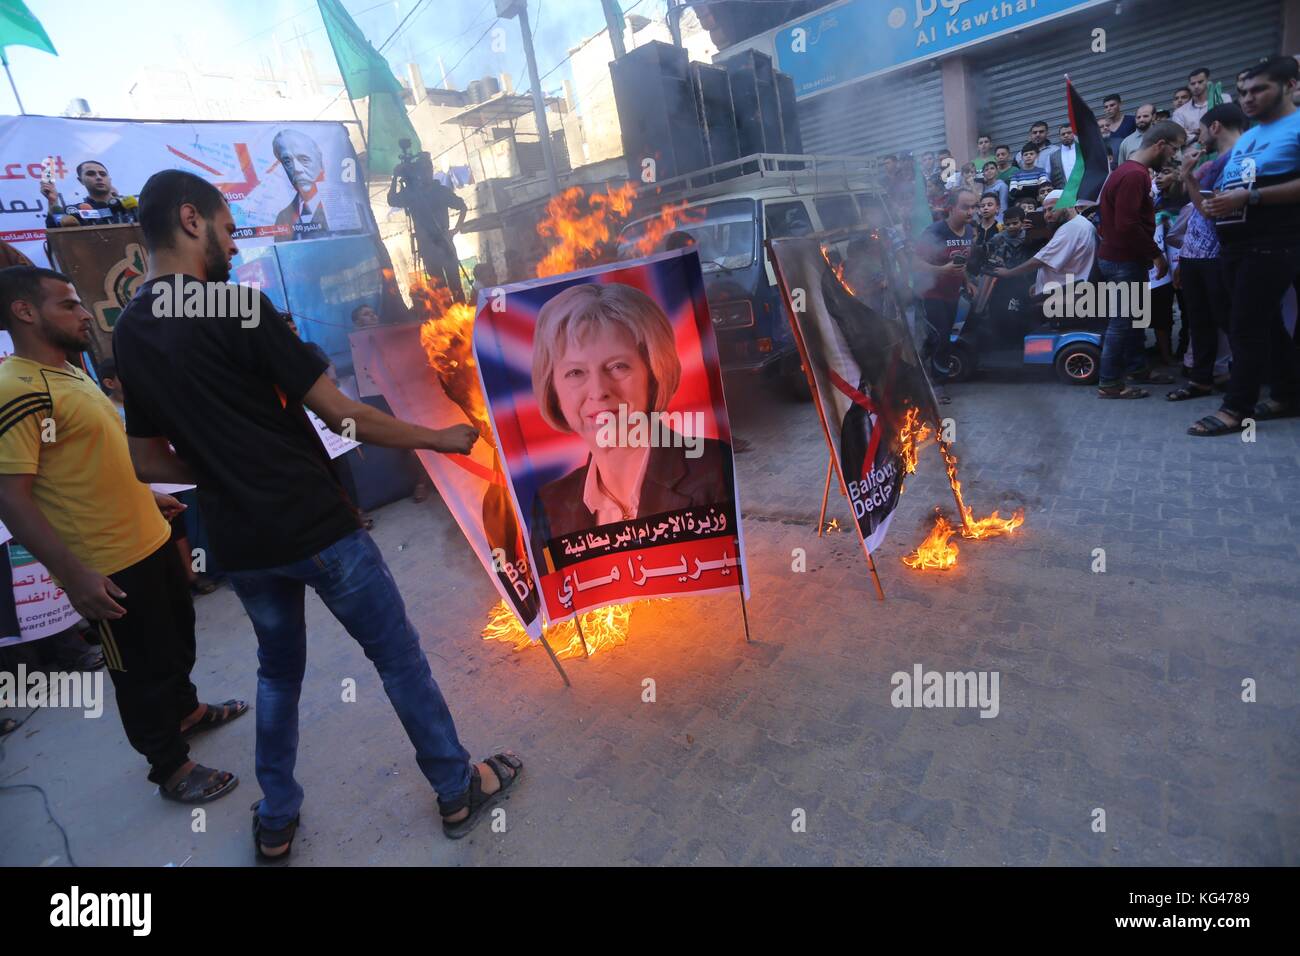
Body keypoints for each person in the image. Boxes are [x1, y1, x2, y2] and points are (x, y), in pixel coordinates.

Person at [113, 170, 521, 854]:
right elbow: (343, 417)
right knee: (398, 660)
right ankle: (458, 789)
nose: (232, 243)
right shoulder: (237, 308)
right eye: (225, 226)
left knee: (277, 672)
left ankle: (276, 821)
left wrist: (219, 472)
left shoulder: (128, 332)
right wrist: (439, 437)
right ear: (191, 218)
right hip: (317, 527)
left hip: (241, 544)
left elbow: (146, 461)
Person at [0, 265, 245, 804]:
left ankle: (188, 711)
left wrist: (149, 497)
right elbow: (12, 497)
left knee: (176, 642)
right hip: (106, 564)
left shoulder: (68, 371)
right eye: (68, 304)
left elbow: (88, 460)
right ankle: (170, 767)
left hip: (150, 537)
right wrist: (73, 576)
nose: (84, 312)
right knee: (138, 671)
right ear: (24, 311)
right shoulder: (15, 388)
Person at [527, 282, 734, 555]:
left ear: (655, 373)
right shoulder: (549, 504)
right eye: (576, 372)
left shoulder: (716, 471)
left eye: (618, 366)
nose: (599, 391)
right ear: (553, 390)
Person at [1191, 56, 1300, 435]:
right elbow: (1233, 188)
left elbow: (1256, 193)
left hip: (1274, 243)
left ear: (1289, 85)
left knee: (1245, 326)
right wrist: (1218, 202)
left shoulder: (1297, 126)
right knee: (1267, 324)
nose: (1249, 99)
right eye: (1243, 92)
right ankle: (1287, 393)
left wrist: (1249, 199)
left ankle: (1237, 408)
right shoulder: (1250, 137)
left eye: (1259, 90)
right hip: (1235, 243)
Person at [98, 359, 220, 596]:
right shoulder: (109, 411)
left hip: (176, 472)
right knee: (176, 532)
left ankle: (206, 569)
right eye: (124, 376)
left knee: (196, 526)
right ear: (109, 383)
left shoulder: (146, 400)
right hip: (149, 481)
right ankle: (190, 576)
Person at [1095, 120, 1187, 399]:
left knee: (1134, 318)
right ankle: (1109, 383)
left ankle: (1137, 369)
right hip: (1123, 261)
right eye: (1174, 149)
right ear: (1160, 145)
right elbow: (1127, 224)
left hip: (1124, 258)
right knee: (1121, 322)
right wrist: (1157, 255)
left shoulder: (1130, 171)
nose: (1175, 157)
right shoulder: (1135, 175)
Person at [1167, 104, 1246, 402]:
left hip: (1218, 256)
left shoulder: (1237, 160)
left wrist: (1187, 176)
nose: (1198, 136)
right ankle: (1201, 379)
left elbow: (1208, 210)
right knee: (1199, 321)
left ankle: (1242, 380)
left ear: (1215, 127)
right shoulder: (1215, 161)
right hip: (1195, 256)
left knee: (1228, 321)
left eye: (1200, 129)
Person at [913, 188, 977, 398]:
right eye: (965, 207)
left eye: (973, 207)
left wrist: (967, 282)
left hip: (952, 294)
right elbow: (914, 262)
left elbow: (962, 261)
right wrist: (940, 270)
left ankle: (919, 367)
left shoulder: (968, 231)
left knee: (942, 337)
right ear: (951, 208)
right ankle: (937, 383)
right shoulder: (935, 232)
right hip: (930, 293)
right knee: (940, 335)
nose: (971, 212)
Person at [388, 152, 467, 302]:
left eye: (428, 169)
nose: (426, 173)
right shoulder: (412, 194)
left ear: (431, 170)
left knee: (456, 287)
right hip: (427, 247)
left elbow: (462, 207)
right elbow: (392, 200)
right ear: (418, 173)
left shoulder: (441, 191)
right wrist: (395, 177)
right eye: (422, 170)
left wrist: (455, 230)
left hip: (445, 244)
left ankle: (462, 312)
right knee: (439, 289)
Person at [993, 190, 1098, 299]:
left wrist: (1008, 273)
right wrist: (1039, 284)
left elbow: (1038, 261)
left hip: (1062, 297)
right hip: (1063, 291)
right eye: (1044, 211)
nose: (1047, 215)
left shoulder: (1072, 227)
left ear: (1068, 205)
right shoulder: (1079, 224)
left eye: (1051, 209)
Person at [271, 129, 332, 242]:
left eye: (304, 159)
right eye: (287, 161)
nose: (297, 169)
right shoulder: (283, 218)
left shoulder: (344, 208)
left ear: (320, 162)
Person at [40, 161, 138, 228]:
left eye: (103, 174)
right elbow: (56, 230)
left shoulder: (132, 207)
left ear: (109, 179)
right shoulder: (74, 211)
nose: (99, 177)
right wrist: (53, 201)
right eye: (91, 174)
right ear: (80, 180)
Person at [1172, 67, 1233, 141]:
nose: (1196, 86)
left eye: (1200, 82)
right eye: (1193, 83)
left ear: (1208, 82)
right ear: (1189, 86)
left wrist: (1192, 133)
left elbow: (1230, 124)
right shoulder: (1180, 112)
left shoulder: (1223, 98)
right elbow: (1179, 137)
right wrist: (1199, 136)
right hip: (1195, 150)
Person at [1102, 94, 1138, 165]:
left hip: (1131, 162)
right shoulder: (1103, 127)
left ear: (1119, 104)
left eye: (1112, 105)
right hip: (1112, 166)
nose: (1109, 109)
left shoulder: (1132, 121)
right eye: (1106, 107)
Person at [1048, 125, 1078, 189]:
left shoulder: (1082, 151)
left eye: (1069, 133)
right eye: (1063, 134)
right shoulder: (1054, 156)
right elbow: (1052, 178)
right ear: (1060, 137)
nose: (1066, 135)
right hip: (1064, 193)